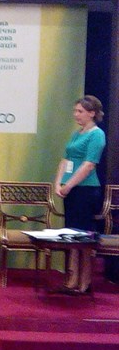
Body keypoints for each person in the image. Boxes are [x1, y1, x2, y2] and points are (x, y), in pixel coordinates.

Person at [54, 95, 106, 294]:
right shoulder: (77, 134)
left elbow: (88, 165)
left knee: (83, 237)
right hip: (71, 190)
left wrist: (69, 185)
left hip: (86, 190)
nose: (76, 114)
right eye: (75, 111)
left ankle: (84, 281)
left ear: (92, 113)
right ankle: (72, 278)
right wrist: (59, 183)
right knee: (72, 235)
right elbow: (66, 160)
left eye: (80, 111)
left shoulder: (97, 134)